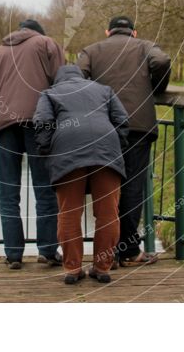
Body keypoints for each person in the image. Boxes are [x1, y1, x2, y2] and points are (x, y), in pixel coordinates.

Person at [77, 16, 171, 267]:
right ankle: (128, 250)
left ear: (107, 31)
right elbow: (161, 60)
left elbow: (77, 77)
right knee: (132, 187)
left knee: (105, 186)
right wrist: (156, 88)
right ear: (134, 31)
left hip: (102, 126)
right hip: (138, 126)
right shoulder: (144, 46)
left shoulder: (91, 50)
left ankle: (106, 252)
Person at [33, 65, 129, 284]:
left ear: (58, 80)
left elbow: (42, 123)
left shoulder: (49, 93)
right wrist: (115, 146)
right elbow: (122, 120)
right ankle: (102, 268)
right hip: (106, 149)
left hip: (67, 151)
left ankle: (72, 269)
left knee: (69, 212)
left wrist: (48, 151)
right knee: (108, 213)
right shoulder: (104, 90)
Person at [0, 19, 64, 269]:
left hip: (6, 127)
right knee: (45, 190)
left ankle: (13, 254)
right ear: (37, 33)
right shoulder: (47, 44)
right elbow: (61, 83)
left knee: (8, 194)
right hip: (39, 123)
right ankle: (48, 250)